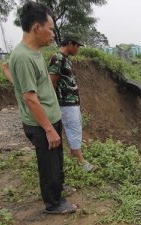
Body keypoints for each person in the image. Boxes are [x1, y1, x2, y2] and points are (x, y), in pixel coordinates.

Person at [3, 1, 77, 214]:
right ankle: (53, 204)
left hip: (50, 117)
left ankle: (59, 188)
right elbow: (30, 98)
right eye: (51, 29)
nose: (53, 35)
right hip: (41, 123)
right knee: (49, 165)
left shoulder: (31, 52)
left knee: (56, 161)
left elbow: (17, 78)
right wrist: (48, 128)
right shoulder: (24, 57)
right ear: (37, 27)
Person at [48, 33, 95, 172]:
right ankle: (81, 162)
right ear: (70, 44)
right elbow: (52, 82)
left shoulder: (65, 59)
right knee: (73, 129)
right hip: (65, 103)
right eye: (77, 46)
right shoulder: (57, 58)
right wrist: (53, 103)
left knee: (75, 128)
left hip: (71, 102)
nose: (78, 49)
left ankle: (74, 157)